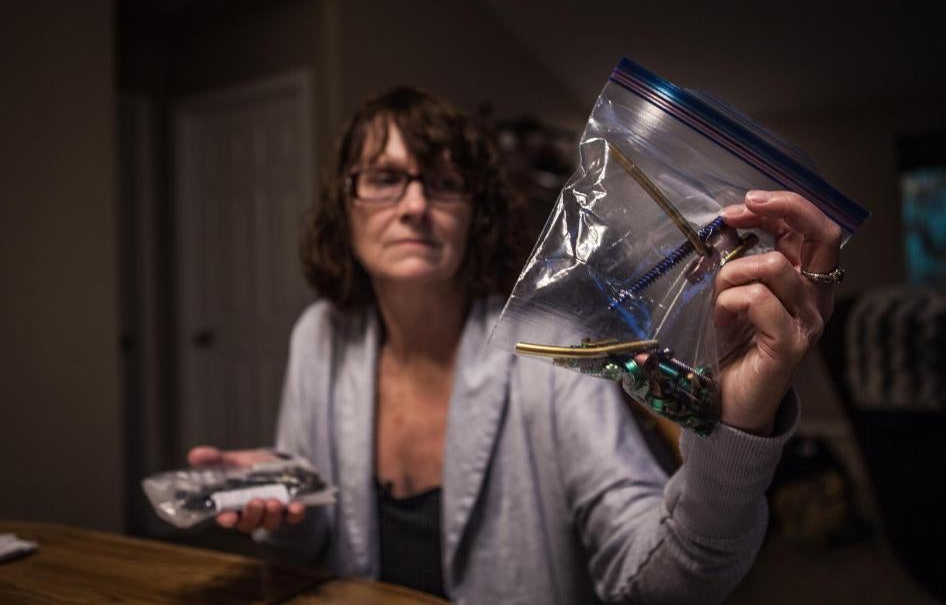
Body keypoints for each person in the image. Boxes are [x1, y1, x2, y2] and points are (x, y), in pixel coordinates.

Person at [189, 86, 843, 603]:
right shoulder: (319, 337)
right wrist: (280, 503)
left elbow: (662, 579)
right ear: (346, 204)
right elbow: (309, 545)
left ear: (477, 213)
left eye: (444, 182)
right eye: (385, 178)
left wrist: (734, 428)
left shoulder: (548, 347)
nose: (415, 204)